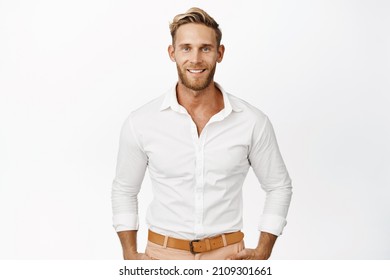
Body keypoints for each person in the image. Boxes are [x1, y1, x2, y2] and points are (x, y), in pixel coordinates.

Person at [111, 7, 292, 260]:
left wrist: (263, 250)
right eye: (186, 48)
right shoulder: (141, 122)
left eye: (205, 48)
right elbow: (124, 190)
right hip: (162, 256)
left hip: (228, 256)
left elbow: (278, 186)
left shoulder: (252, 122)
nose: (195, 59)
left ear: (219, 53)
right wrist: (130, 254)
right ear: (172, 53)